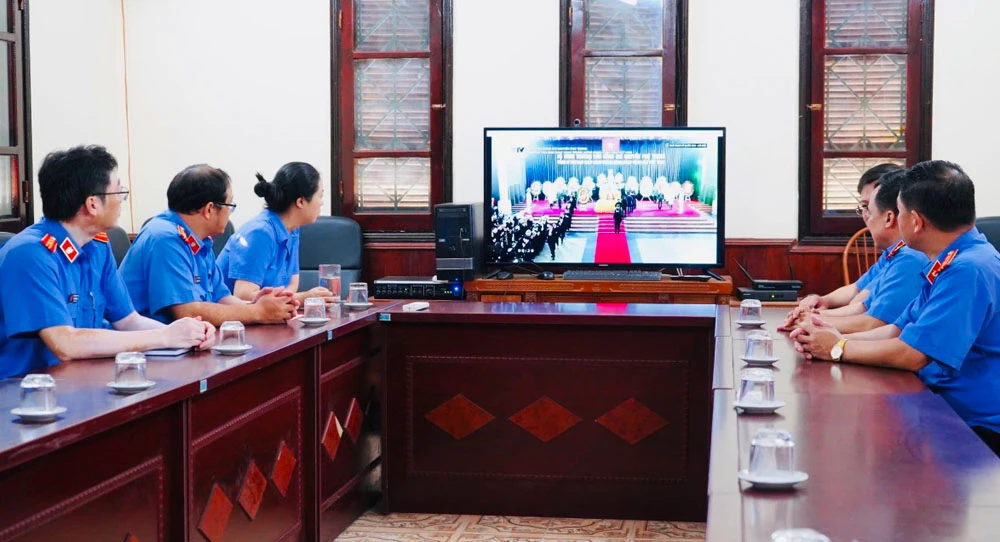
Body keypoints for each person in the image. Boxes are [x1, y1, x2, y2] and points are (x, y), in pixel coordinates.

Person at [791, 160, 1000, 456]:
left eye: (899, 212)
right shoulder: (948, 260)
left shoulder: (968, 269)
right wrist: (830, 336)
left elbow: (913, 354)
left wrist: (838, 348)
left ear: (915, 221)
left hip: (972, 426)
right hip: (939, 403)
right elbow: (897, 330)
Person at [0, 146, 215, 378]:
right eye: (118, 192)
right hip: (23, 388)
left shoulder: (97, 246)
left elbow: (129, 321)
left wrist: (190, 334)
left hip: (80, 378)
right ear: (93, 204)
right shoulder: (30, 254)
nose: (122, 199)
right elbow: (65, 343)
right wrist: (164, 337)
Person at [120, 164, 298, 327]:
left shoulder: (200, 241)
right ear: (210, 209)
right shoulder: (165, 239)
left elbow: (221, 298)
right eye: (230, 205)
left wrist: (257, 305)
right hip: (146, 346)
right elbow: (187, 312)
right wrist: (257, 312)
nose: (230, 212)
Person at [784, 169, 927, 333]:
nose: (865, 217)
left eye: (869, 210)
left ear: (889, 217)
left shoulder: (910, 258)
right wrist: (814, 314)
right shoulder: (895, 253)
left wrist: (813, 322)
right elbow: (861, 302)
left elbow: (876, 323)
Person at [217, 162, 337, 304]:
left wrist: (294, 299)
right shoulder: (260, 233)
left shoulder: (293, 229)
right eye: (320, 196)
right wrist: (303, 298)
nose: (321, 203)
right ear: (301, 202)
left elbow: (292, 284)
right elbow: (244, 295)